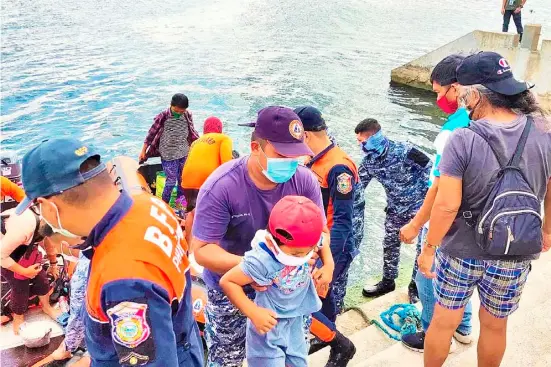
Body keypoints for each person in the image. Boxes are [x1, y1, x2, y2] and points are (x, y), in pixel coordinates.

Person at [16, 138, 204, 366]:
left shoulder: (121, 279)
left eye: (37, 207)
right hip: (183, 339)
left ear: (48, 205)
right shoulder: (150, 205)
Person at [420, 51, 551, 366]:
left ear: (475, 95)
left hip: (461, 251)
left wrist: (429, 247)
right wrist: (547, 230)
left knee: (443, 322)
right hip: (515, 248)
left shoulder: (463, 139)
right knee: (495, 325)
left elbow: (447, 204)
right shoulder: (544, 131)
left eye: (464, 95)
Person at [191, 106, 337, 367]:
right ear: (256, 148)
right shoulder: (221, 187)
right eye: (282, 155)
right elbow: (202, 250)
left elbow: (320, 230)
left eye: (297, 155)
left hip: (289, 290)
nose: (291, 163)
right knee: (227, 359)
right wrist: (258, 266)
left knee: (290, 354)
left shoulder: (304, 181)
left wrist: (328, 262)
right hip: (232, 287)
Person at [400, 55, 474, 352]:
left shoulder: (453, 130)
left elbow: (440, 187)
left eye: (439, 92)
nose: (439, 98)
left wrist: (419, 226)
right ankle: (465, 326)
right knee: (463, 274)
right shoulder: (488, 119)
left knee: (426, 273)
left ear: (455, 88)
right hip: (473, 218)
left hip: (446, 218)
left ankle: (433, 333)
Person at [220, 195, 324, 367]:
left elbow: (322, 243)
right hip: (268, 325)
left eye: (307, 252)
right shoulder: (262, 259)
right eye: (295, 254)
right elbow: (228, 281)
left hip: (296, 320)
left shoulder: (309, 237)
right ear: (270, 242)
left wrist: (328, 264)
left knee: (299, 362)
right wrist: (253, 312)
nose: (302, 257)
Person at [354, 119, 431, 302]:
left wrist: (430, 205)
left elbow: (433, 171)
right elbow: (357, 189)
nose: (361, 145)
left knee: (422, 247)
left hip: (419, 209)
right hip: (395, 209)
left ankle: (415, 285)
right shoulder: (369, 162)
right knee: (390, 244)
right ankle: (388, 281)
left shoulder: (405, 151)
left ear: (375, 137)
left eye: (363, 141)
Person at [296, 107, 358, 316]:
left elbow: (343, 221)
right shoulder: (314, 159)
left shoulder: (339, 169)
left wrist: (327, 260)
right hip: (318, 241)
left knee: (315, 291)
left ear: (305, 135)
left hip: (334, 245)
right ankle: (331, 337)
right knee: (322, 293)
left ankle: (331, 337)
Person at [0, 208, 68, 334]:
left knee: (42, 280)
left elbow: (48, 241)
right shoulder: (23, 226)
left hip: (23, 249)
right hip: (4, 251)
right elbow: (1, 255)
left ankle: (46, 307)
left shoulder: (46, 222)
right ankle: (18, 317)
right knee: (20, 285)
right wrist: (24, 271)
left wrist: (53, 264)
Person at [181, 116, 233, 244]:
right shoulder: (224, 138)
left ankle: (188, 247)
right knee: (212, 214)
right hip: (205, 180)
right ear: (220, 129)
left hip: (186, 180)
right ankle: (205, 248)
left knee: (191, 213)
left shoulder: (195, 142)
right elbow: (227, 165)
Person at [139, 93, 199, 204]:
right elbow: (151, 134)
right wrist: (143, 150)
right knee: (171, 181)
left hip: (183, 152)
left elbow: (191, 130)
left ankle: (180, 202)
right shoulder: (163, 116)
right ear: (171, 105)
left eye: (182, 111)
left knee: (183, 179)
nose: (179, 114)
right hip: (168, 154)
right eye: (177, 111)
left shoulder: (187, 115)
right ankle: (164, 203)